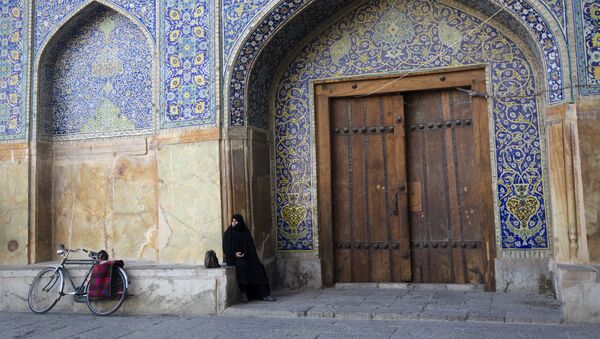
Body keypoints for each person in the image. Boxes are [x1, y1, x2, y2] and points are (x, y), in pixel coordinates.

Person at [223, 214, 275, 302]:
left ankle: (265, 294)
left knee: (259, 267)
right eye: (233, 221)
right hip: (233, 259)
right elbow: (226, 249)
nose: (234, 223)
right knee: (242, 266)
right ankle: (244, 293)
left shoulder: (245, 232)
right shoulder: (228, 233)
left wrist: (247, 255)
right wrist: (235, 254)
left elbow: (251, 247)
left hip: (247, 257)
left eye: (236, 221)